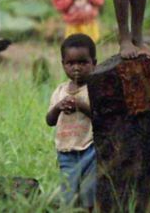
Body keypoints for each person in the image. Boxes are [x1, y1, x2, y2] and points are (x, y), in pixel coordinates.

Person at [46, 34, 97, 211]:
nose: (77, 68)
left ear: (94, 63)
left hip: (90, 149)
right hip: (66, 151)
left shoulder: (94, 89)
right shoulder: (60, 91)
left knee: (89, 191)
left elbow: (101, 118)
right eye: (71, 63)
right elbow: (49, 120)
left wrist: (81, 105)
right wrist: (59, 107)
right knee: (69, 194)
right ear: (63, 64)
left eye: (83, 63)